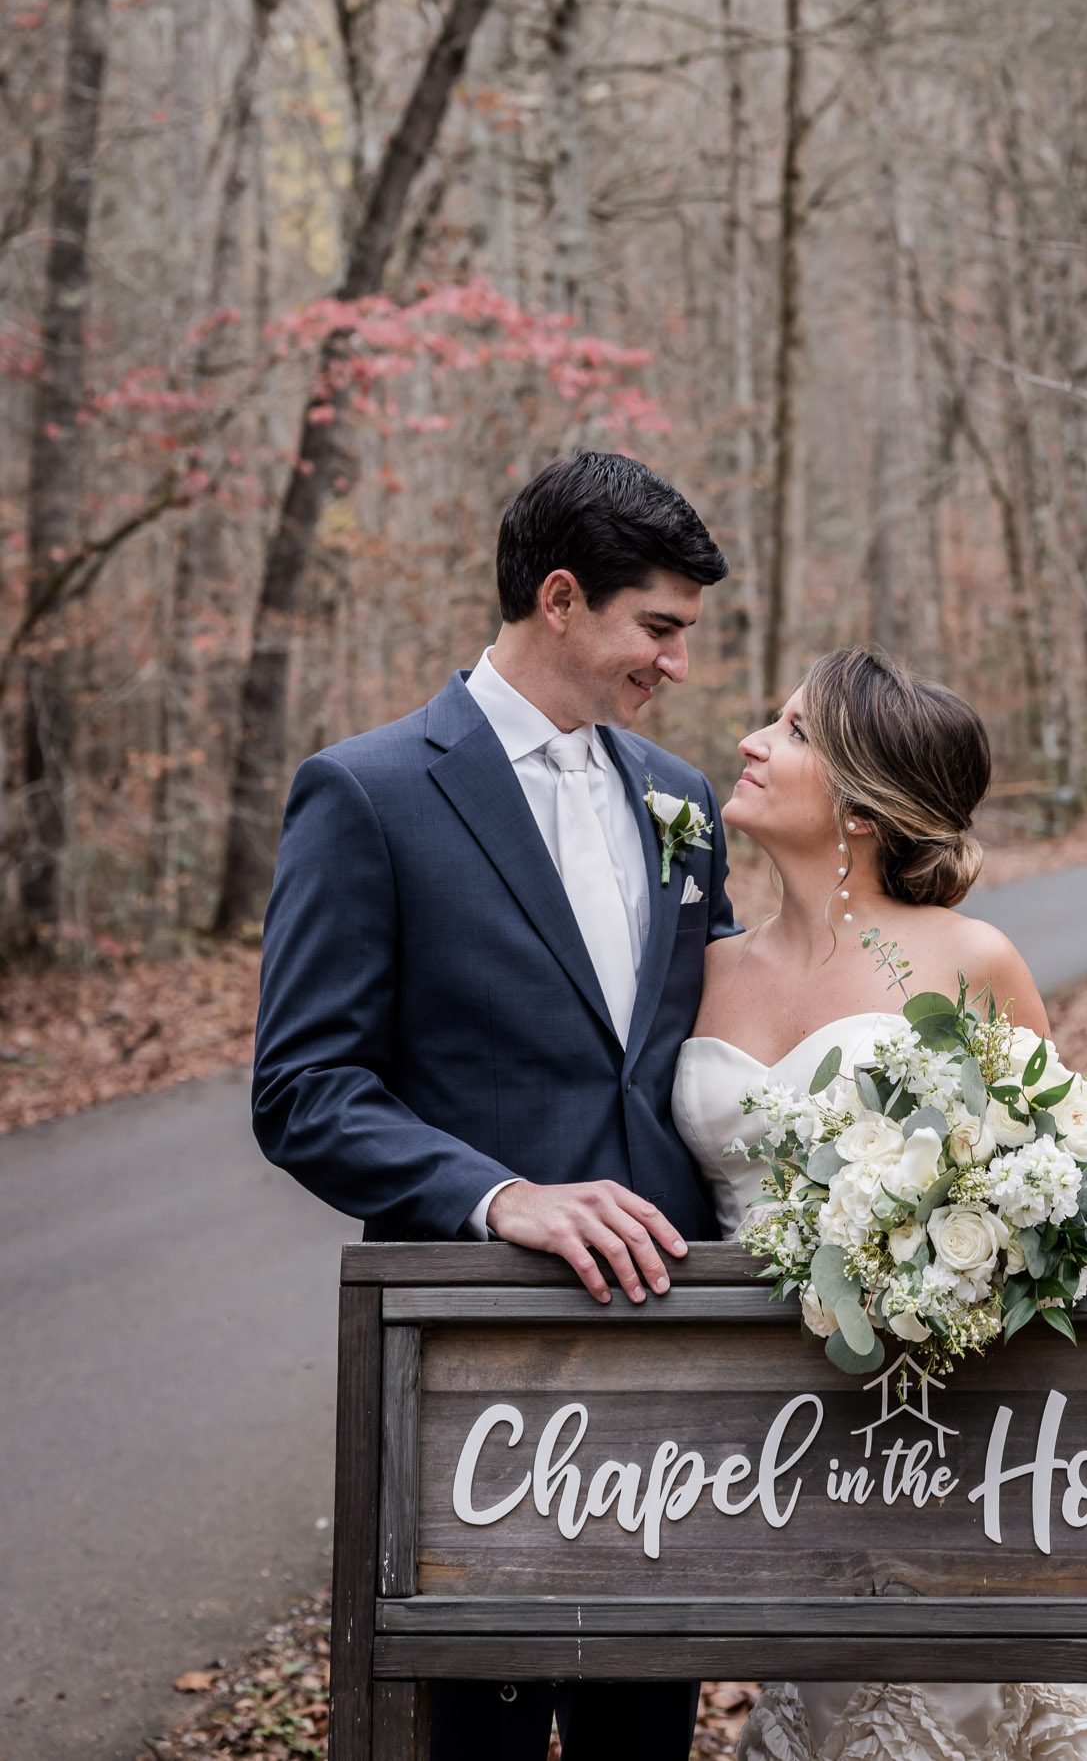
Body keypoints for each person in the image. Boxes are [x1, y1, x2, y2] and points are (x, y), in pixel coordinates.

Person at [252, 450, 735, 1761]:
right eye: (660, 630)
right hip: (490, 1361)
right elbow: (303, 1089)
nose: (675, 665)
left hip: (683, 1356)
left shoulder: (680, 801)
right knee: (485, 1729)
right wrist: (499, 1196)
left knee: (650, 1727)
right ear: (564, 599)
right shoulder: (370, 793)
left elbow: (720, 1043)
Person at [674, 644, 1087, 1761]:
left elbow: (1059, 1199)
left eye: (795, 729)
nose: (754, 742)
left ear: (864, 798)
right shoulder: (702, 970)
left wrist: (945, 1264)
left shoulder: (971, 958)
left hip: (957, 1432)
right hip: (769, 1437)